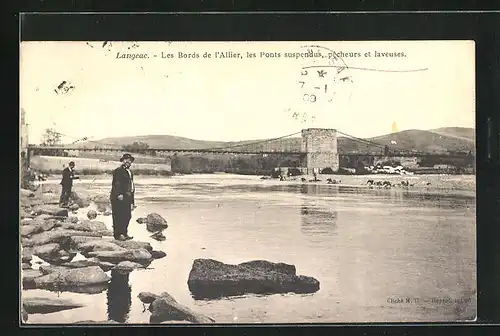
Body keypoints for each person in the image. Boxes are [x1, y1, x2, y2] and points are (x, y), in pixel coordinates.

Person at [110, 153, 135, 241]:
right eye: (126, 160)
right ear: (123, 161)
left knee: (127, 216)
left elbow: (132, 187)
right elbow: (116, 183)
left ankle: (124, 233)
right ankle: (118, 235)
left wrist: (132, 202)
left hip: (128, 197)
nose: (128, 161)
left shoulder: (130, 172)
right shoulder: (118, 170)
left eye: (130, 160)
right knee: (118, 216)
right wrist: (119, 194)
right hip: (118, 197)